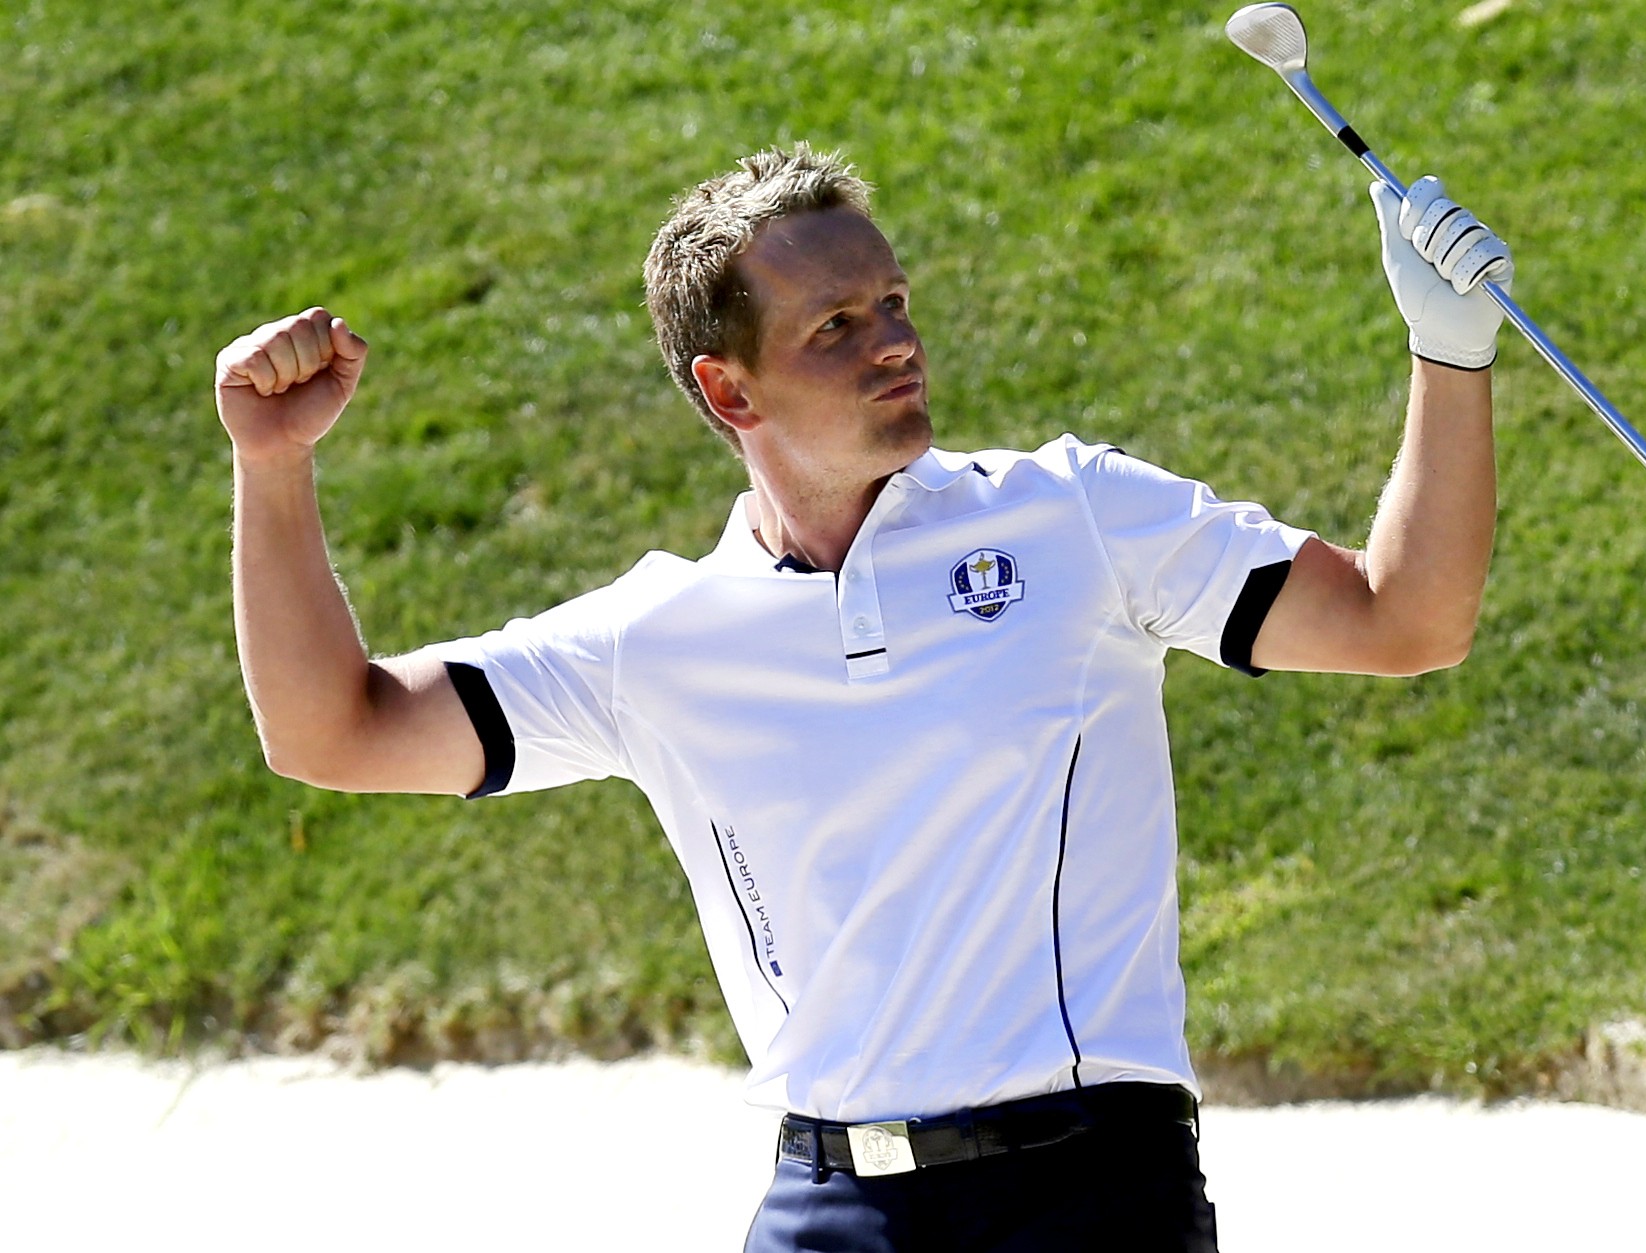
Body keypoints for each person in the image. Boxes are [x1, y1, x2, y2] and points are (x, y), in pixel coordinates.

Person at [215, 143, 1511, 1252]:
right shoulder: (656, 640)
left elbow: (1404, 620)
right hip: (826, 1208)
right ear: (727, 388)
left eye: (892, 301)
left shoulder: (1076, 515)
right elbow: (332, 730)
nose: (894, 340)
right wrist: (272, 466)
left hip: (1090, 1195)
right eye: (834, 326)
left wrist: (1447, 355)